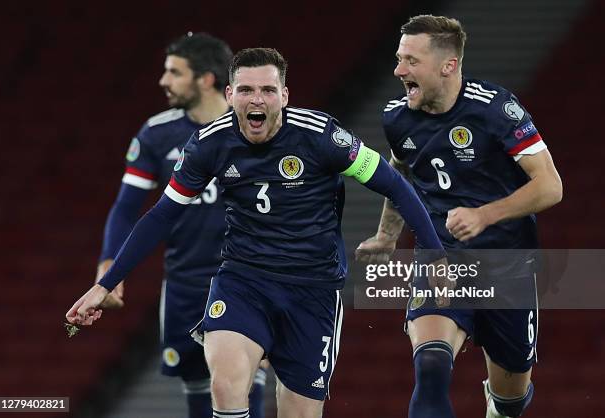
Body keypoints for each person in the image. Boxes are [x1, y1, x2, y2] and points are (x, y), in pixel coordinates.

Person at [67, 47, 446, 418]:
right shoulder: (208, 144)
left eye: (267, 90)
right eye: (246, 90)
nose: (257, 100)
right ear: (230, 95)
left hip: (312, 291)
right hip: (243, 280)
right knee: (225, 385)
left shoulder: (321, 137)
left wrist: (434, 255)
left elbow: (395, 185)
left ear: (284, 95)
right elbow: (161, 216)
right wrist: (105, 283)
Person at [356, 15, 563, 418]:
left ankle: (499, 404)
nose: (399, 71)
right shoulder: (397, 117)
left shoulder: (496, 110)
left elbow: (551, 186)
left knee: (510, 399)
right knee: (430, 367)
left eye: (411, 61)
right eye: (399, 59)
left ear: (448, 66)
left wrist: (486, 215)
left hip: (508, 264)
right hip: (442, 258)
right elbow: (400, 173)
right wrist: (387, 236)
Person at [93, 33, 266, 418]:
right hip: (185, 283)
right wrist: (109, 264)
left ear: (205, 79)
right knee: (199, 393)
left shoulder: (257, 128)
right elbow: (126, 209)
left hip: (248, 278)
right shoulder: (157, 134)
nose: (163, 81)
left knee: (243, 382)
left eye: (174, 72)